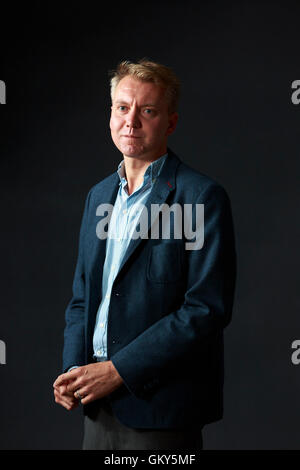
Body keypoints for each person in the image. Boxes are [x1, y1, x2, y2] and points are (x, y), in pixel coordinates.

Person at [53, 59, 236, 450]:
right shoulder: (98, 197)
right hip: (97, 408)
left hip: (162, 411)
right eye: (122, 107)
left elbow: (206, 309)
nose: (131, 121)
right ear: (111, 114)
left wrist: (119, 370)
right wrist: (73, 371)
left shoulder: (201, 198)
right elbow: (83, 299)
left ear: (169, 122)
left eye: (147, 111)